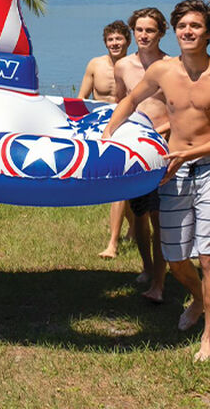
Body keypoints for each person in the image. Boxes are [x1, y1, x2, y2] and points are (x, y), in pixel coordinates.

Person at [102, 0, 210, 361]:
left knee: (209, 257)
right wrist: (106, 136)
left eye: (195, 26)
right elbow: (131, 100)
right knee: (176, 256)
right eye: (182, 26)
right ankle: (198, 299)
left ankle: (209, 339)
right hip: (174, 169)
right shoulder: (164, 71)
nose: (187, 32)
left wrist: (189, 154)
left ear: (208, 33)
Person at [114, 8, 171, 303]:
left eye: (150, 30)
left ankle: (160, 283)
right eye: (139, 30)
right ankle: (148, 268)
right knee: (139, 217)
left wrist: (161, 130)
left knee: (160, 217)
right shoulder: (123, 66)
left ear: (161, 32)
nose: (144, 35)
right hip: (136, 150)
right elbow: (121, 103)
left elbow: (183, 108)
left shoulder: (174, 65)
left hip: (165, 148)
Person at [78, 20, 135, 259]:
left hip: (126, 125)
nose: (114, 43)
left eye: (119, 39)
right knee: (119, 183)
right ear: (105, 42)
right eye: (110, 39)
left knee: (118, 183)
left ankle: (113, 243)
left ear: (127, 41)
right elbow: (81, 98)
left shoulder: (135, 66)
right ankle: (135, 227)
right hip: (100, 126)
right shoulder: (95, 64)